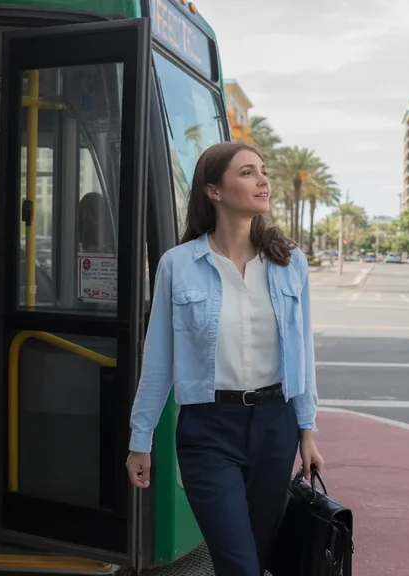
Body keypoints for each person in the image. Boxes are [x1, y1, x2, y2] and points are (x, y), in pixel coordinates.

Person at [125, 141, 324, 576]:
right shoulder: (178, 265)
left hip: (276, 425)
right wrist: (141, 439)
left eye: (263, 171)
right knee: (238, 564)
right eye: (248, 172)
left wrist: (307, 431)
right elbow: (158, 359)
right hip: (209, 430)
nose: (264, 180)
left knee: (257, 554)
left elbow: (302, 355)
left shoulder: (290, 263)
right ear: (214, 191)